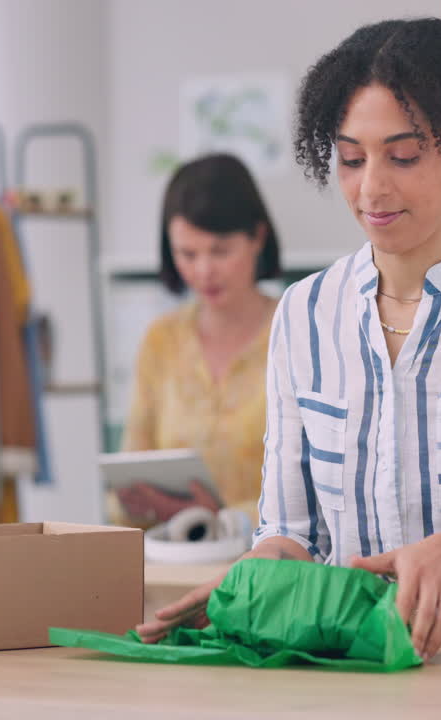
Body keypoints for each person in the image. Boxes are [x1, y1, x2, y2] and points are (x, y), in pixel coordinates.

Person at [137, 18, 441, 661]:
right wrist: (255, 581)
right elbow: (290, 533)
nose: (371, 187)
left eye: (402, 156)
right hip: (349, 648)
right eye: (351, 158)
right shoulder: (304, 314)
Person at [116, 153, 282, 526]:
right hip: (172, 562)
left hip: (274, 568)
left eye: (220, 251)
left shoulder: (299, 330)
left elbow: (323, 488)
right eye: (187, 254)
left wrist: (219, 518)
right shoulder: (161, 340)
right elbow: (130, 468)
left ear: (258, 237)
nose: (204, 271)